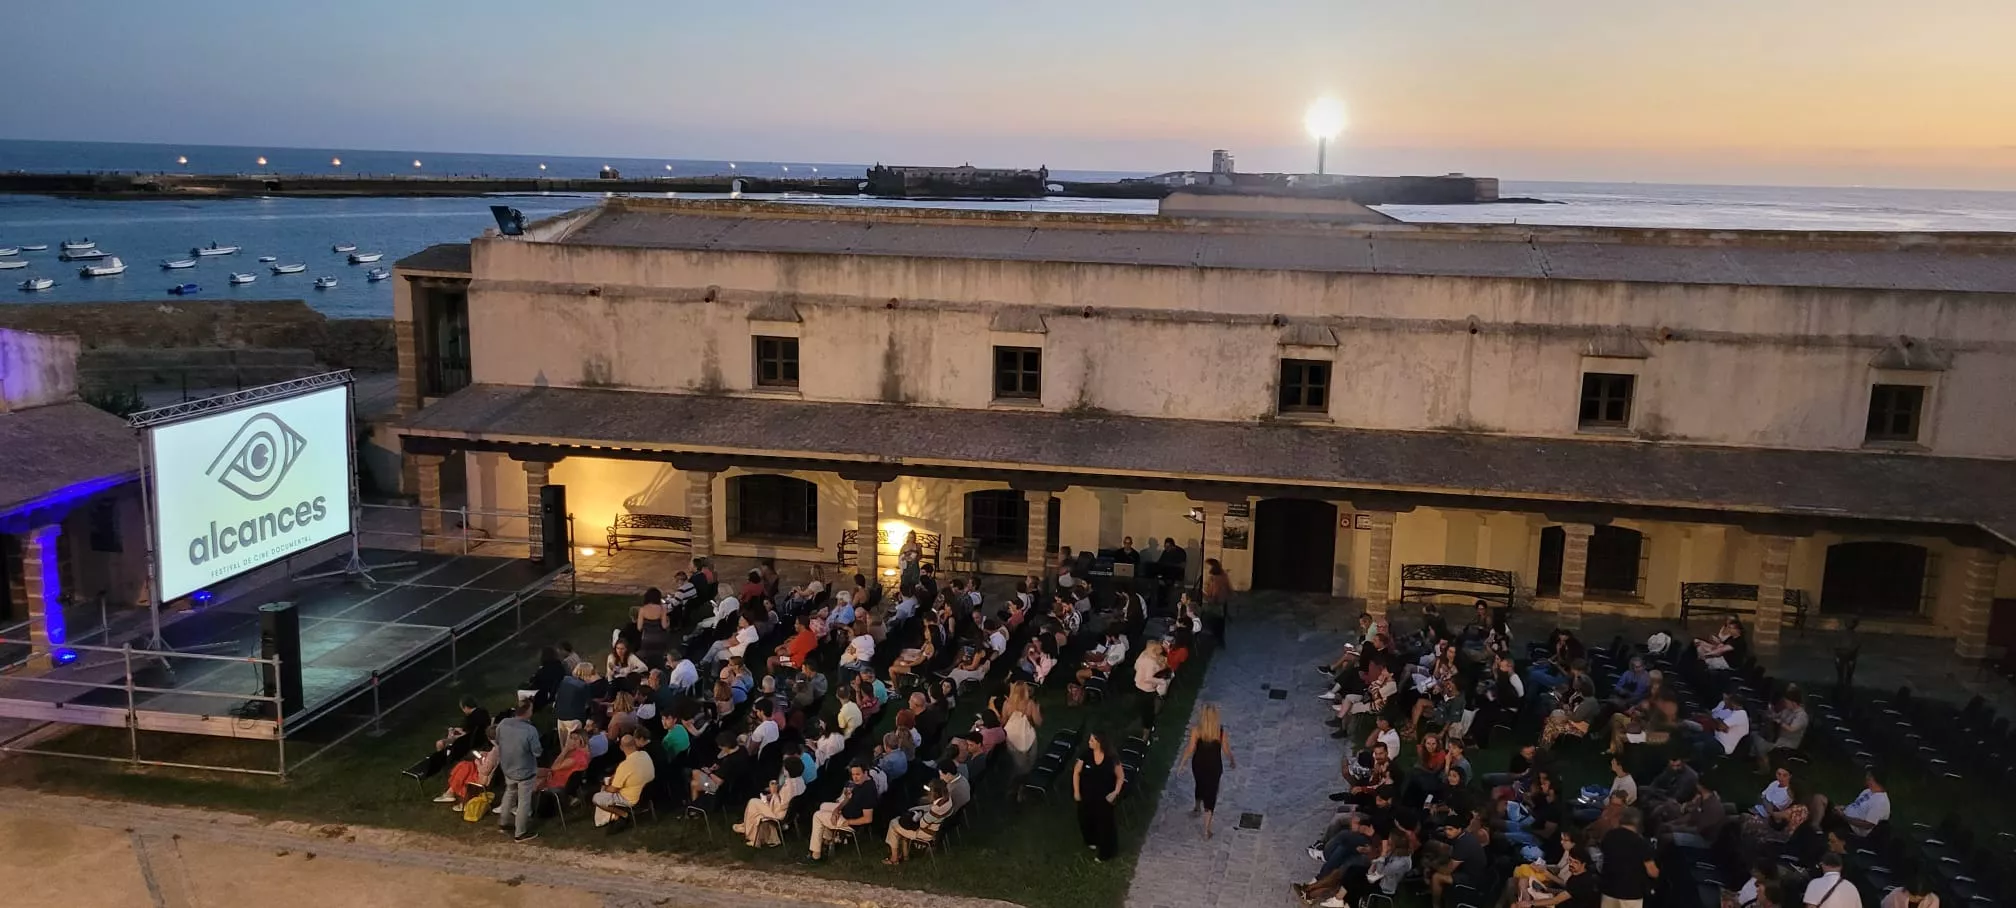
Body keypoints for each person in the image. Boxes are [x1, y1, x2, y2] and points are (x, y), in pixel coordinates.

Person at [1178, 703, 1234, 838]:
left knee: (1199, 784)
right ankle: (1206, 829)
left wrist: (1182, 763)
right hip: (1214, 767)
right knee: (1211, 793)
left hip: (1198, 765)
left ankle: (1197, 807)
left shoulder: (1196, 730)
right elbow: (1226, 750)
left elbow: (1190, 749)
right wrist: (1232, 760)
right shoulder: (1220, 732)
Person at [807, 763, 877, 862]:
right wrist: (836, 810)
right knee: (823, 806)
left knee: (817, 816)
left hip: (851, 820)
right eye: (853, 775)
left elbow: (868, 818)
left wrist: (849, 822)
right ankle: (828, 841)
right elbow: (848, 798)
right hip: (846, 811)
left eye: (858, 774)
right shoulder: (861, 784)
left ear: (865, 773)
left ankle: (816, 855)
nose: (855, 777)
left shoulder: (868, 791)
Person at [1073, 731, 1125, 861]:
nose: (1089, 742)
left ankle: (1106, 852)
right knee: (1085, 818)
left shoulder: (1111, 758)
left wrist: (1115, 792)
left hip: (1104, 797)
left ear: (1100, 742)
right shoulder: (1085, 755)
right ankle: (1092, 840)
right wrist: (1076, 791)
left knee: (1105, 824)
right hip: (1087, 795)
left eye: (1092, 740)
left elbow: (1120, 776)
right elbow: (1076, 772)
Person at [593, 733, 654, 831]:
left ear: (621, 748)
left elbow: (613, 789)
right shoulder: (645, 754)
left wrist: (605, 787)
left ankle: (623, 814)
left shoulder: (625, 765)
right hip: (647, 793)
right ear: (635, 743)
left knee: (597, 798)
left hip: (631, 799)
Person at [1598, 807, 1657, 908]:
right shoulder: (1641, 843)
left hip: (1608, 890)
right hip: (1631, 894)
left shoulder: (1609, 836)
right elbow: (1652, 871)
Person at [885, 779, 954, 865]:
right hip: (936, 830)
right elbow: (930, 807)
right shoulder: (947, 800)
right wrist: (914, 809)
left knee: (893, 824)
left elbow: (922, 824)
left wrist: (916, 816)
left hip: (926, 834)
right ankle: (905, 856)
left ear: (934, 793)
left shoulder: (937, 809)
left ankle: (894, 858)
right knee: (899, 821)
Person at [1836, 769, 1890, 836]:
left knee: (1821, 804)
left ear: (1873, 778)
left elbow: (1867, 825)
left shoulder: (1880, 802)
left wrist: (1844, 817)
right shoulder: (1867, 791)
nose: (1866, 777)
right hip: (1844, 816)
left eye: (1869, 775)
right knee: (1821, 800)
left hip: (1851, 828)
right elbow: (1857, 806)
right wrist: (1844, 807)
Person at [1134, 639, 1171, 734]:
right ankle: (1147, 728)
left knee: (1144, 706)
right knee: (1148, 709)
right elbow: (1148, 678)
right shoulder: (1151, 662)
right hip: (1147, 688)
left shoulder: (1144, 654)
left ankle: (1146, 722)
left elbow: (1136, 666)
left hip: (1139, 683)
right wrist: (1161, 681)